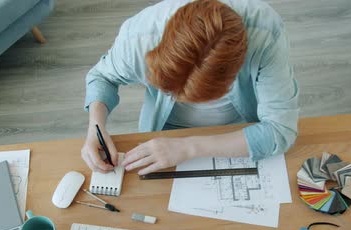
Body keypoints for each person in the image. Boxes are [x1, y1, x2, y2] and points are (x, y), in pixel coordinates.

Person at [81, 0, 299, 175]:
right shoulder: (137, 38)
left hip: (236, 132)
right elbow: (102, 77)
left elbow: (280, 131)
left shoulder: (266, 34)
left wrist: (189, 148)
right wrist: (95, 126)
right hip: (162, 132)